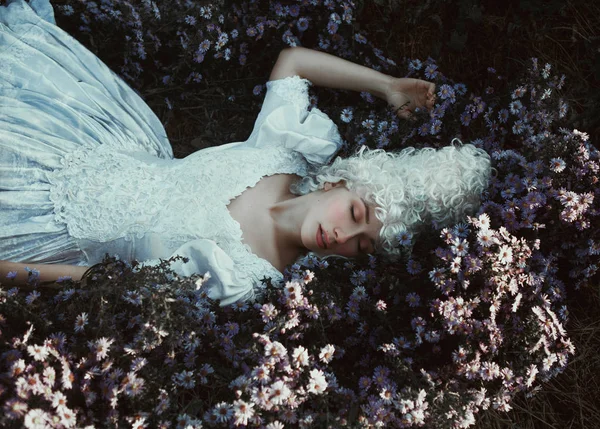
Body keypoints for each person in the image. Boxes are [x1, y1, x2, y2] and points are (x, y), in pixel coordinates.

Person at [0, 0, 491, 306]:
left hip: (48, 232)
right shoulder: (283, 152)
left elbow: (105, 281)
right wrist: (386, 86)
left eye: (360, 244)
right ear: (336, 181)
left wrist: (12, 273)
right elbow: (293, 61)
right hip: (93, 148)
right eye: (356, 212)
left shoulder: (248, 281)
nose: (343, 234)